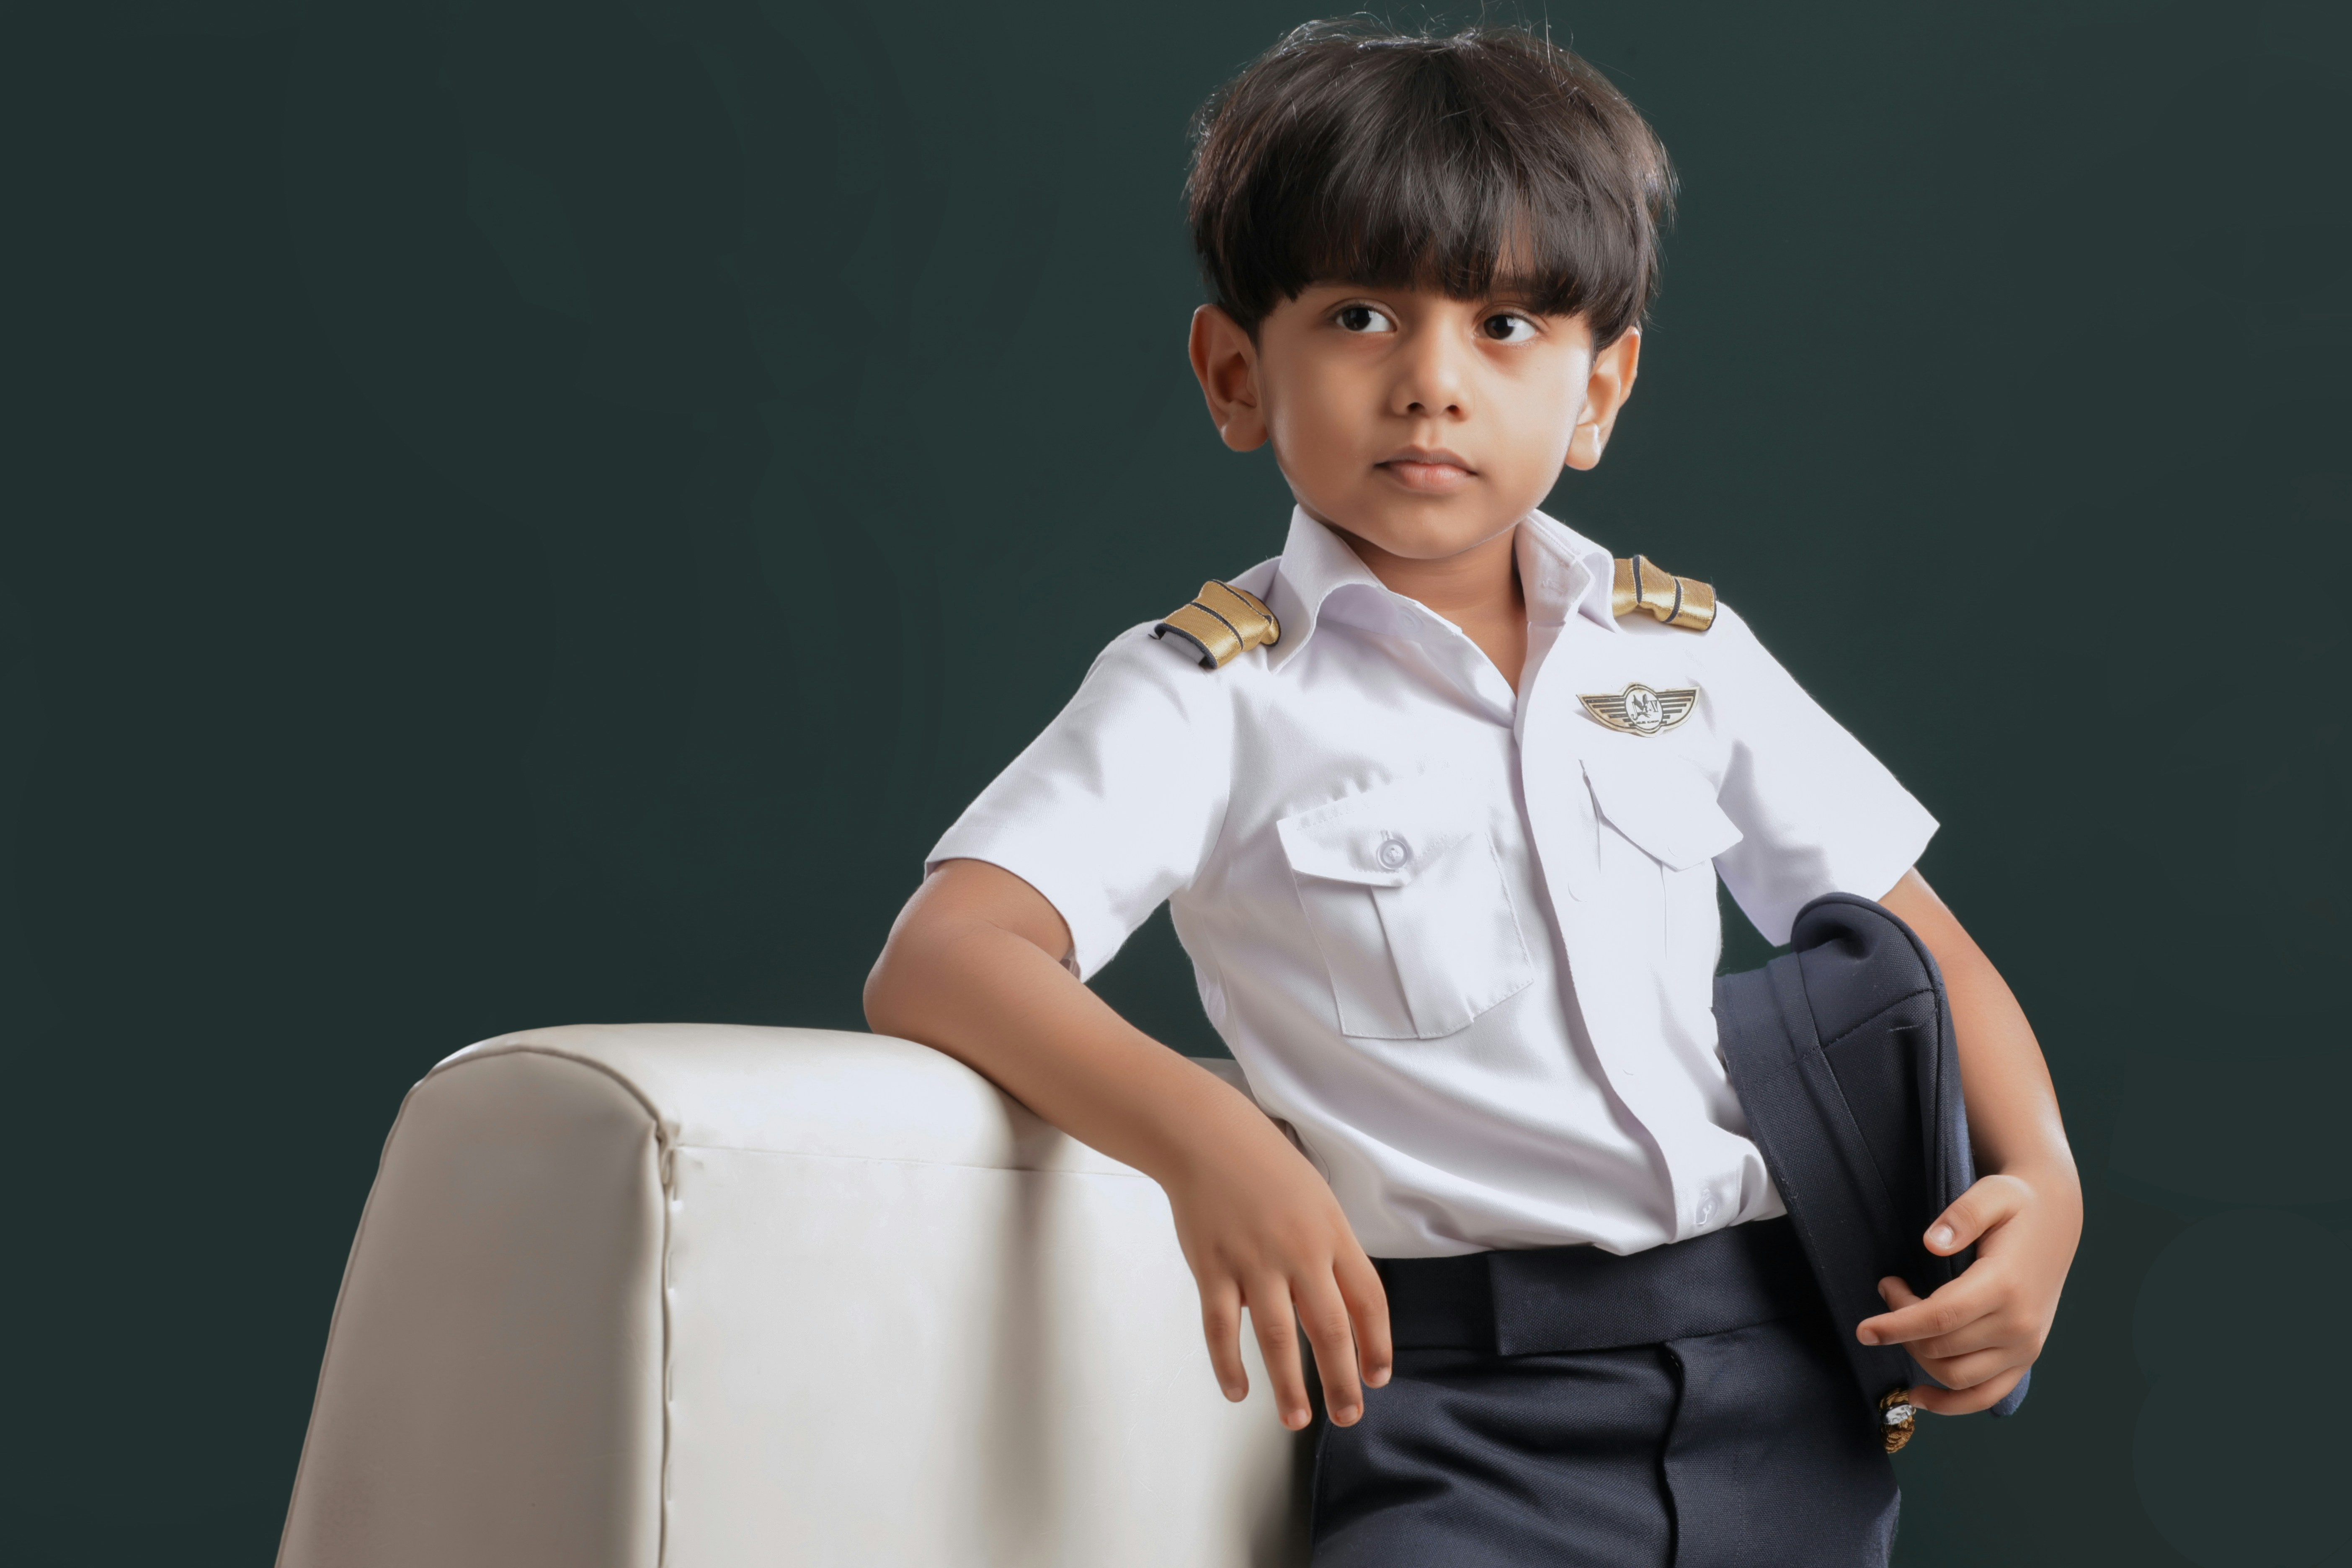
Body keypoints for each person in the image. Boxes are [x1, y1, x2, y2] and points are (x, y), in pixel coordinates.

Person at [864, 20, 2080, 1566]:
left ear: (1600, 390)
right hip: (1456, 1399)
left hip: (1783, 1368)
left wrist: (2045, 1183)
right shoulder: (1210, 697)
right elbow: (945, 957)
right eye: (1361, 315)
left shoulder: (1681, 655)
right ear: (1237, 373)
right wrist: (1208, 1139)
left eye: (1507, 325)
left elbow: (1914, 937)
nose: (1432, 383)